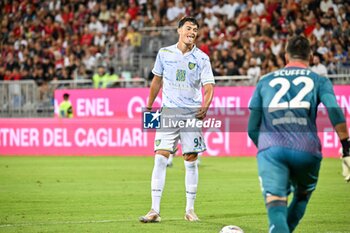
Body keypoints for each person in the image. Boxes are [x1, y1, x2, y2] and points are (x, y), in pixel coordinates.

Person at [248, 35, 350, 233]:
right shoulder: (320, 81)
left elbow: (252, 128)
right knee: (302, 196)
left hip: (272, 149)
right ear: (311, 56)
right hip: (307, 149)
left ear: (286, 56)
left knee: (276, 203)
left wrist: (266, 150)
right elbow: (334, 110)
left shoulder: (265, 81)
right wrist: (346, 145)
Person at [139, 17, 215, 223]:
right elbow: (157, 80)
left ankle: (190, 210)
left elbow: (209, 86)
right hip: (168, 112)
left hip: (191, 114)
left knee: (190, 160)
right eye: (189, 28)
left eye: (195, 29)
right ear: (179, 30)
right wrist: (149, 104)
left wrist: (205, 105)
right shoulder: (164, 53)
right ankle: (154, 210)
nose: (192, 32)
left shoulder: (202, 58)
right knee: (160, 156)